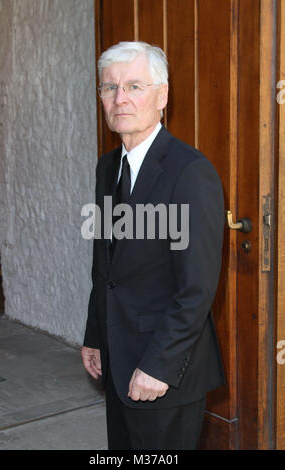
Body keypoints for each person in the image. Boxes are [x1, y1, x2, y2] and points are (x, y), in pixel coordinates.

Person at [81, 41, 225, 450]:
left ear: (162, 96)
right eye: (109, 88)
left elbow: (195, 291)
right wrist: (94, 334)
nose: (119, 98)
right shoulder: (107, 167)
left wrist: (158, 366)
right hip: (117, 356)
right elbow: (104, 265)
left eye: (134, 86)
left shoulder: (191, 173)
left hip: (165, 370)